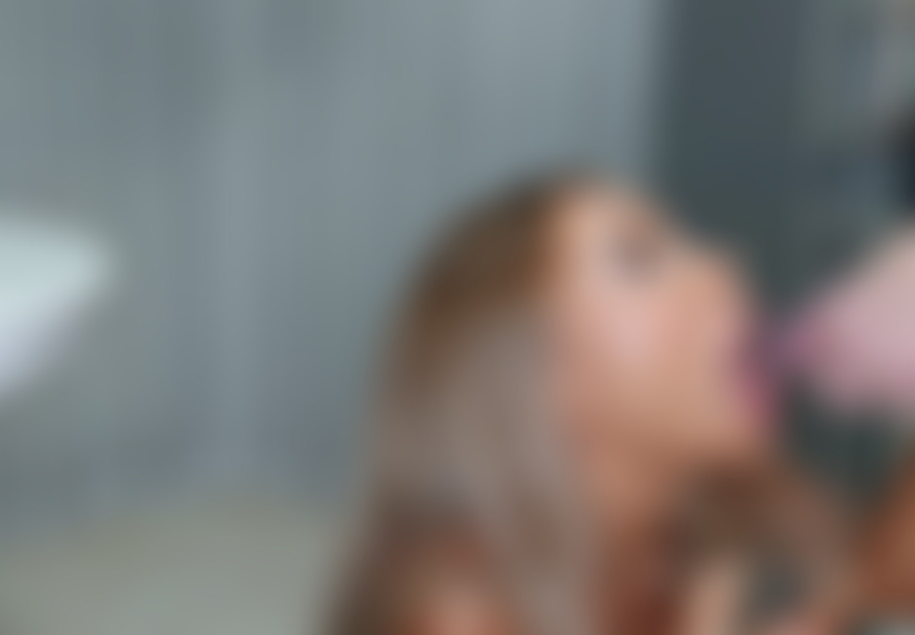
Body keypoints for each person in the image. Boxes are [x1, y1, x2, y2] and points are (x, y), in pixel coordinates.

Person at [330, 170, 915, 635]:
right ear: (534, 370)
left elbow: (879, 576)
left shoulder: (729, 537)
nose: (722, 265)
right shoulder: (455, 612)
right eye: (640, 258)